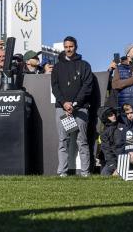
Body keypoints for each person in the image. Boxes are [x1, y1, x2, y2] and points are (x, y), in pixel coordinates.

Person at [51, 36, 94, 177]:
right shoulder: (57, 67)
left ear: (76, 47)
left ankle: (85, 173)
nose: (68, 49)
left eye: (71, 46)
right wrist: (65, 103)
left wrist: (74, 104)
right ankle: (62, 173)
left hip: (80, 109)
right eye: (66, 47)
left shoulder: (84, 65)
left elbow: (87, 87)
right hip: (62, 109)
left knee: (81, 141)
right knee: (63, 141)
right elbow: (55, 87)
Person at [98, 106, 123, 176]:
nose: (113, 116)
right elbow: (107, 151)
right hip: (113, 161)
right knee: (104, 175)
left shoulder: (123, 126)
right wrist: (113, 166)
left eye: (113, 114)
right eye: (110, 115)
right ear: (106, 118)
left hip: (125, 159)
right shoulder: (104, 134)